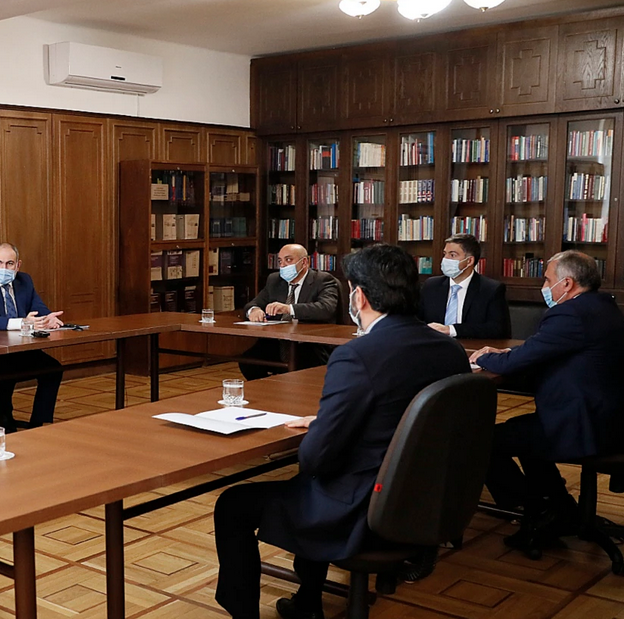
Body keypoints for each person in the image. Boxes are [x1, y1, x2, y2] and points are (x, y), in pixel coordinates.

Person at [213, 244, 470, 619]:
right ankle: (307, 601)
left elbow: (316, 456)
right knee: (311, 480)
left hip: (363, 508)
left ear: (360, 296)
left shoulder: (358, 355)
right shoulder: (450, 350)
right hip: (425, 499)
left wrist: (325, 427)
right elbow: (405, 414)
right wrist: (331, 423)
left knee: (235, 503)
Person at [471, 251, 624, 553]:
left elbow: (521, 361)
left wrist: (485, 357)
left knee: (484, 440)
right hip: (607, 419)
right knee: (523, 432)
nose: (545, 285)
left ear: (566, 284)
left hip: (582, 425)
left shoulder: (569, 313)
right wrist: (510, 356)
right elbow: (544, 348)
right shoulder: (603, 307)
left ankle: (536, 508)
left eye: (547, 279)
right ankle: (558, 507)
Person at [0, 243, 64, 431]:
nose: (4, 268)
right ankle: (3, 423)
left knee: (53, 370)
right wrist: (23, 323)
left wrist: (48, 318)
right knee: (4, 372)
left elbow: (38, 308)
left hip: (16, 348)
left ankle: (38, 425)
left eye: (9, 263)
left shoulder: (25, 281)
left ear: (18, 265)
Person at [240, 244, 341, 380]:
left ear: (304, 262)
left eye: (288, 260)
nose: (283, 266)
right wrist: (254, 310)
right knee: (248, 361)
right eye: (280, 261)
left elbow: (326, 308)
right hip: (278, 341)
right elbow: (253, 303)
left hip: (309, 344)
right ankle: (269, 391)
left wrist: (289, 308)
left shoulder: (323, 280)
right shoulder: (275, 280)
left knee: (301, 366)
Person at [419, 233, 510, 339]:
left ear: (469, 261)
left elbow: (497, 329)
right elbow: (416, 320)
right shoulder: (431, 286)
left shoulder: (491, 289)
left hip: (471, 349)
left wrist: (451, 330)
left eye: (452, 255)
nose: (445, 259)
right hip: (434, 347)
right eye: (445, 254)